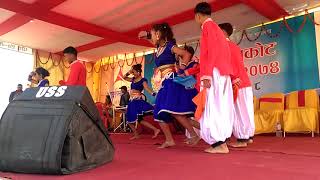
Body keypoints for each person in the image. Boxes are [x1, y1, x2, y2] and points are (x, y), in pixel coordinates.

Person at [147, 23, 200, 148]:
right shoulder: (159, 48)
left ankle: (193, 135)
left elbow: (186, 54)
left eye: (153, 33)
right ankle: (175, 138)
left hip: (171, 82)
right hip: (165, 83)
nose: (152, 36)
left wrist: (182, 68)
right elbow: (154, 41)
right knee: (162, 112)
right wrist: (146, 36)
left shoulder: (170, 46)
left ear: (158, 34)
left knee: (173, 111)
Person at [194, 2, 234, 154]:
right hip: (221, 71)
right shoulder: (216, 28)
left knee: (214, 106)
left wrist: (206, 74)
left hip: (214, 72)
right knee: (220, 105)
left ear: (198, 16)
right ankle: (221, 141)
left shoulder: (208, 27)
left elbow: (211, 52)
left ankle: (219, 143)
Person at [219, 23, 255, 147]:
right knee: (246, 110)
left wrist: (234, 77)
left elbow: (230, 64)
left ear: (223, 32)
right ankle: (248, 136)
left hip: (238, 82)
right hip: (244, 82)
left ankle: (242, 139)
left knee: (239, 111)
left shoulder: (224, 46)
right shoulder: (234, 46)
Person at [123, 64, 160, 140]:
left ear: (138, 72)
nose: (133, 73)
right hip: (132, 101)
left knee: (130, 120)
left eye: (134, 72)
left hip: (137, 101)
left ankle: (139, 134)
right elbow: (124, 77)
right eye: (132, 72)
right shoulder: (133, 79)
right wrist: (129, 72)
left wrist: (154, 94)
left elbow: (147, 88)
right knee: (139, 120)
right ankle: (155, 130)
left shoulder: (143, 80)